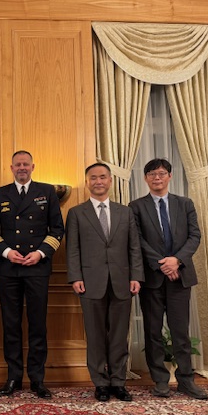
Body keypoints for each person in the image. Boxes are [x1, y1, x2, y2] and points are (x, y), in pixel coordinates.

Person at [0, 150, 64, 399]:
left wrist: (40, 253)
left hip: (37, 267)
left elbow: (57, 229)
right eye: (17, 164)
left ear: (33, 166)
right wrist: (6, 252)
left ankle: (38, 379)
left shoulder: (47, 191)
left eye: (25, 164)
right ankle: (13, 377)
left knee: (38, 324)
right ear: (11, 167)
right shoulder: (0, 194)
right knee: (11, 325)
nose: (22, 168)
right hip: (9, 268)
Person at [129, 159, 207, 400]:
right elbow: (137, 240)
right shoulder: (136, 206)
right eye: (151, 174)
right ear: (145, 178)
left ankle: (185, 380)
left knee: (180, 332)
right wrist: (163, 263)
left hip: (180, 277)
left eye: (161, 173)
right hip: (152, 278)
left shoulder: (184, 204)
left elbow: (195, 235)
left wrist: (177, 261)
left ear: (170, 176)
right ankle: (160, 380)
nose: (157, 178)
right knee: (152, 332)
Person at [65, 163, 144, 402]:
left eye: (102, 177)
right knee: (96, 336)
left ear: (110, 181)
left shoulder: (125, 212)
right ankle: (100, 383)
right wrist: (76, 277)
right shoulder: (77, 213)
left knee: (119, 335)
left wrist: (136, 276)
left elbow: (134, 247)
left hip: (122, 282)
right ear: (87, 182)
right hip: (90, 282)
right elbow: (73, 249)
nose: (98, 181)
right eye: (93, 178)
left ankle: (118, 382)